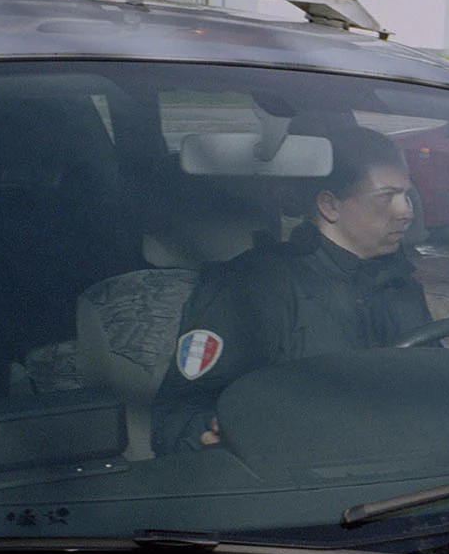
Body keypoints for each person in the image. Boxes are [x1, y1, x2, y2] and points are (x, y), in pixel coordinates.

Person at [152, 125, 432, 453]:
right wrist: (204, 431)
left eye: (407, 195)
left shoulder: (400, 284)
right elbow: (177, 416)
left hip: (405, 470)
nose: (406, 212)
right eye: (387, 197)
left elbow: (438, 386)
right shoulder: (251, 287)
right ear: (330, 205)